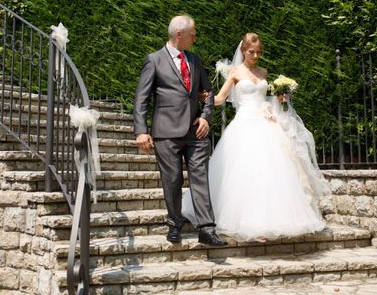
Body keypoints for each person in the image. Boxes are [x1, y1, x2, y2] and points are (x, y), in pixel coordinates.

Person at [182, 33, 330, 241]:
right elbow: (220, 99)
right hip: (244, 124)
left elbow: (266, 96)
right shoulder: (235, 72)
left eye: (259, 53)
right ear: (243, 51)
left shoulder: (263, 72)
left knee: (272, 171)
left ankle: (273, 220)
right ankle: (244, 220)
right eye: (252, 52)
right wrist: (202, 96)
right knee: (245, 171)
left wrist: (281, 96)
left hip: (266, 123)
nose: (255, 56)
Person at [134, 15, 227, 247]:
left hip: (195, 133)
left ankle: (206, 229)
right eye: (192, 33)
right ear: (179, 34)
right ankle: (174, 225)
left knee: (200, 179)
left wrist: (206, 117)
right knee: (172, 179)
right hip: (165, 133)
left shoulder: (195, 60)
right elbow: (141, 99)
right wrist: (141, 131)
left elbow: (208, 93)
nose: (195, 37)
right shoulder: (153, 60)